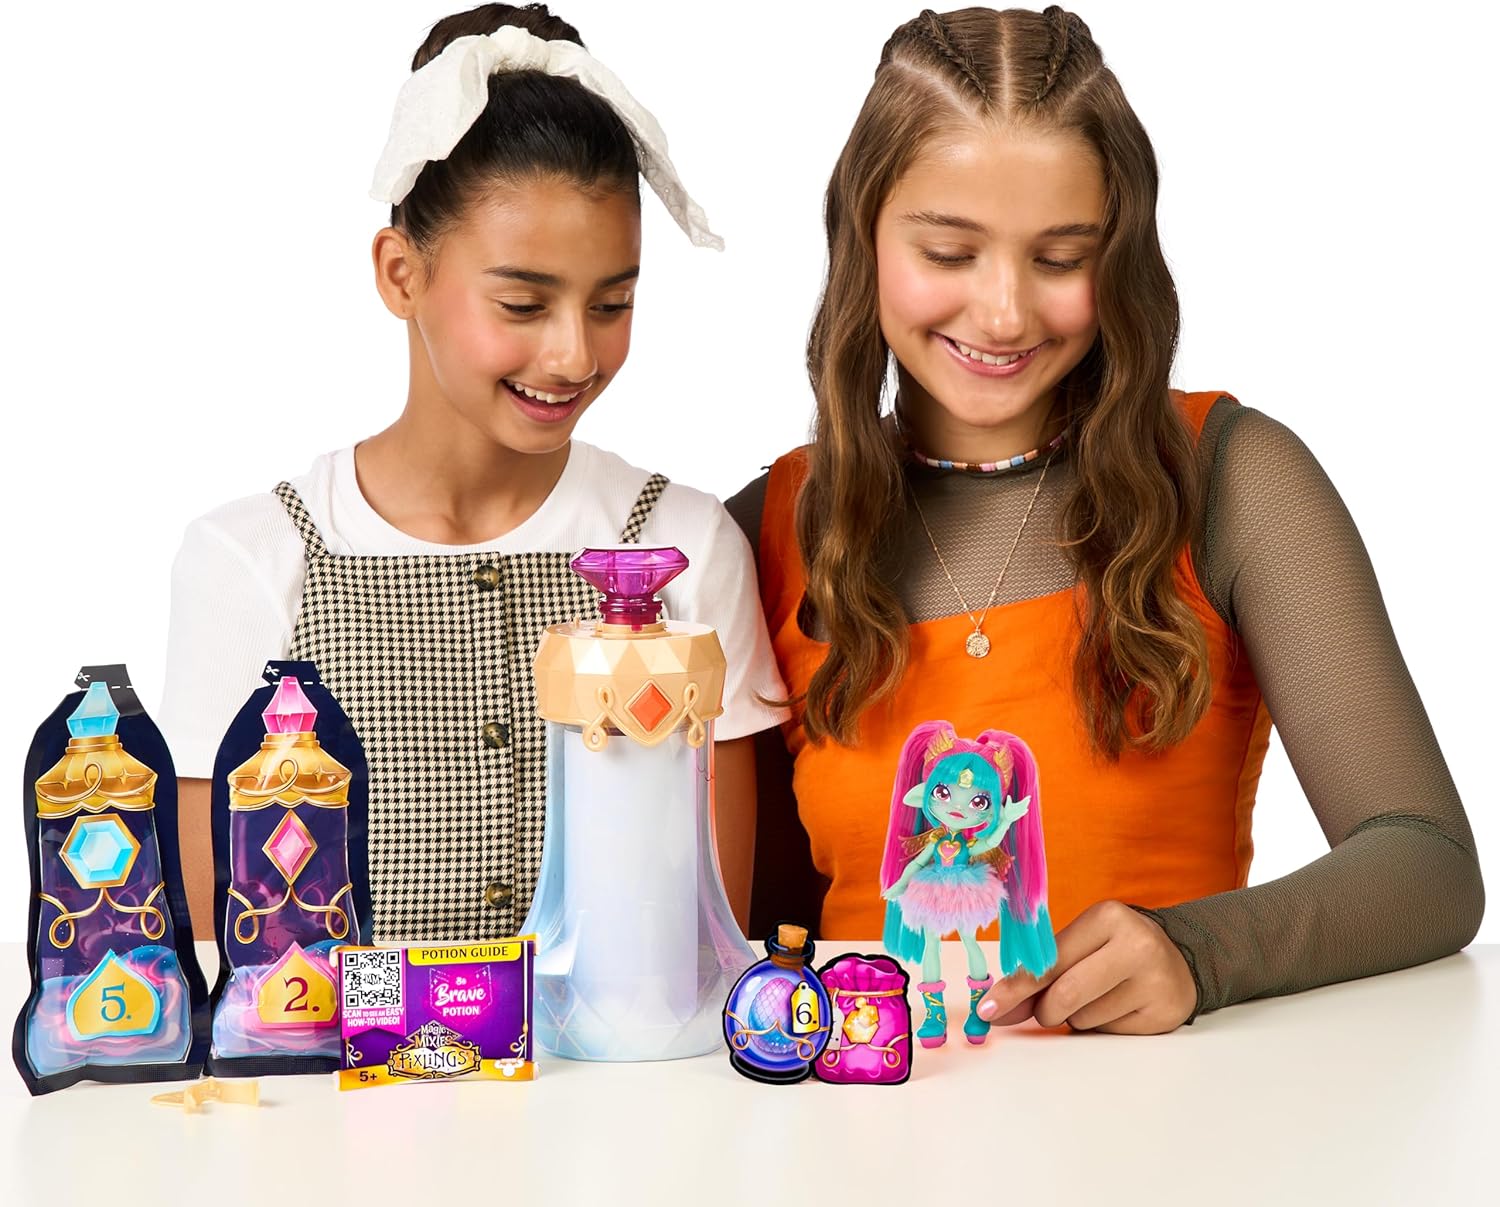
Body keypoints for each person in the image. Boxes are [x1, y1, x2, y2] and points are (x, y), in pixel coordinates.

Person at [728, 5, 1482, 1036]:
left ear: (1119, 256)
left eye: (1059, 257)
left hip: (1171, 1117)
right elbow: (753, 938)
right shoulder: (769, 529)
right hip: (875, 1110)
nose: (1003, 312)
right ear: (862, 238)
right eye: (949, 251)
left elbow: (1428, 861)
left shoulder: (1232, 480)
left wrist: (1198, 951)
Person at [160, 2, 785, 944]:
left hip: (616, 1050)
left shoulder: (685, 546)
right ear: (400, 273)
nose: (575, 355)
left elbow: (710, 942)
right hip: (342, 1047)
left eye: (612, 303)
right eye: (523, 303)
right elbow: (222, 953)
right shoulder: (251, 558)